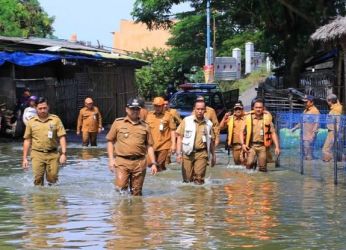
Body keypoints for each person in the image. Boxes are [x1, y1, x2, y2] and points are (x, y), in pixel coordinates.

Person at [106, 97, 158, 196]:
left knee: (137, 192)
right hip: (122, 161)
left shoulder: (145, 126)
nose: (135, 111)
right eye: (132, 109)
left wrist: (153, 163)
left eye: (137, 109)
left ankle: (135, 211)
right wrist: (111, 160)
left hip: (139, 162)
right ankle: (122, 210)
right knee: (121, 189)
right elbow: (110, 141)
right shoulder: (118, 123)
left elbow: (149, 146)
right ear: (126, 109)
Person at [22, 97, 67, 186]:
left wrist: (63, 154)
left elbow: (62, 137)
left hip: (53, 154)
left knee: (52, 178)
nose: (43, 110)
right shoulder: (31, 122)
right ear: (35, 108)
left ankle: (51, 198)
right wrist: (24, 158)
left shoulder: (55, 119)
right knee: (38, 179)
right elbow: (27, 140)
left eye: (44, 108)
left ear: (48, 107)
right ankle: (39, 199)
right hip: (37, 154)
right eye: (40, 108)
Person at [176, 99, 216, 185]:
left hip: (202, 153)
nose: (200, 111)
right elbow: (179, 137)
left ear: (205, 110)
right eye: (198, 109)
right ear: (194, 109)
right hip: (187, 153)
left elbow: (211, 141)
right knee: (187, 181)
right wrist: (179, 154)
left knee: (199, 179)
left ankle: (199, 197)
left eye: (202, 109)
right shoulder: (186, 121)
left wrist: (213, 156)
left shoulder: (209, 124)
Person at [240, 98, 280, 172]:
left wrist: (277, 147)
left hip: (263, 147)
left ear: (263, 108)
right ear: (253, 108)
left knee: (262, 168)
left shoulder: (267, 118)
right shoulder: (248, 118)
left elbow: (273, 133)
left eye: (260, 107)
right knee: (249, 164)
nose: (258, 109)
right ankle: (250, 182)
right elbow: (241, 132)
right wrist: (243, 144)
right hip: (251, 146)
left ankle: (262, 182)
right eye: (256, 107)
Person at [145, 97, 176, 172]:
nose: (157, 108)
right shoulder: (149, 115)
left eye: (159, 106)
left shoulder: (168, 115)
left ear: (163, 106)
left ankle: (160, 181)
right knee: (149, 163)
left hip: (164, 145)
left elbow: (172, 130)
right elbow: (145, 130)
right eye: (156, 106)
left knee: (159, 164)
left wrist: (173, 144)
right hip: (152, 145)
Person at [292, 95, 320, 160]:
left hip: (310, 136)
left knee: (309, 155)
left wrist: (313, 134)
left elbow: (317, 123)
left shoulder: (315, 111)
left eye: (306, 102)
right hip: (303, 135)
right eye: (304, 102)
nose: (305, 103)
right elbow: (301, 122)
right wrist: (295, 128)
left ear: (312, 102)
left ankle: (310, 168)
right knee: (303, 154)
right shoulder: (305, 111)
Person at [322, 94, 343, 162]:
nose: (327, 103)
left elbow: (338, 123)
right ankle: (337, 162)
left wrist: (335, 136)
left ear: (330, 101)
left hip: (334, 132)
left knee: (325, 150)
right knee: (337, 151)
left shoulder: (336, 110)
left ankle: (327, 167)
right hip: (335, 132)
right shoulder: (338, 107)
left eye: (327, 101)